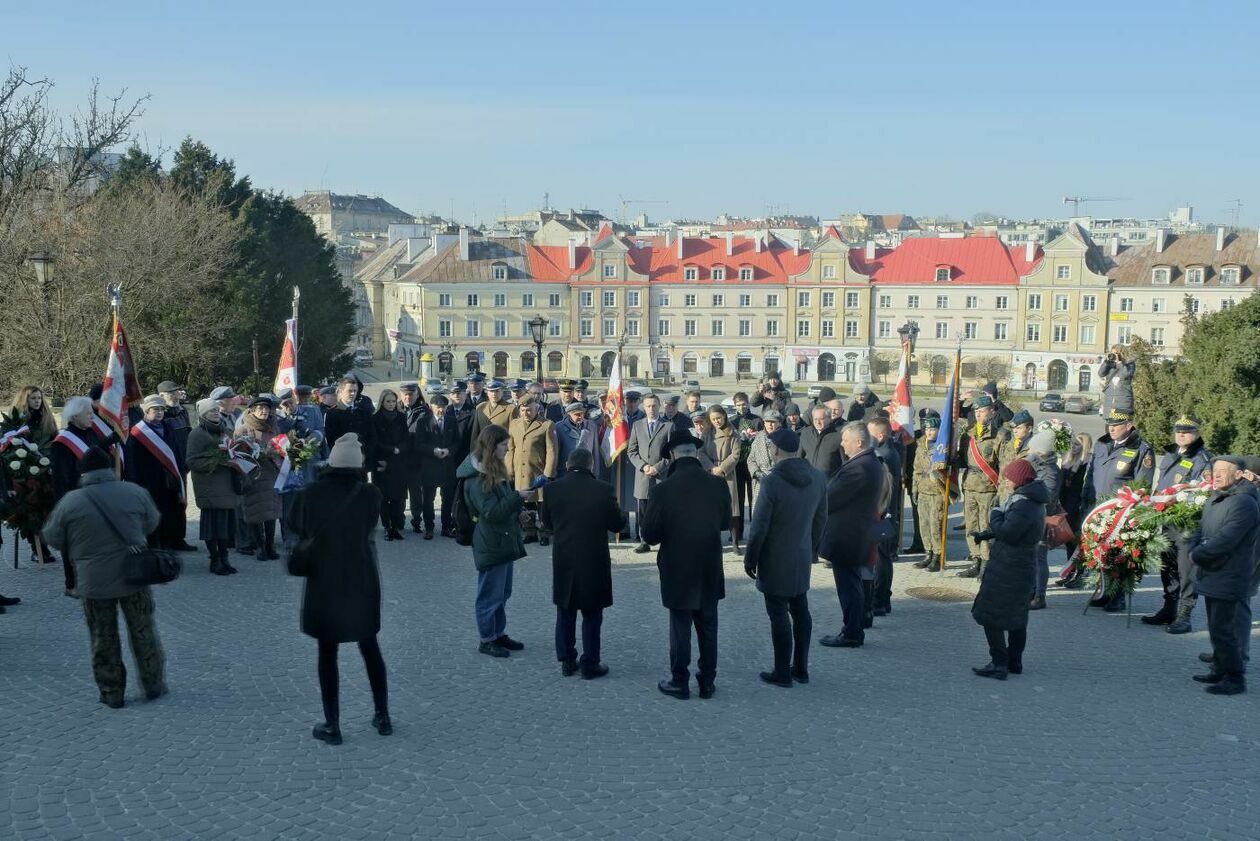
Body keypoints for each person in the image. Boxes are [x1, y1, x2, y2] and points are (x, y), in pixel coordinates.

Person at [287, 433, 391, 743]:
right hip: (361, 577)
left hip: (325, 580)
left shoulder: (309, 494)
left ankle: (332, 724)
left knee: (327, 652)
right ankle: (382, 714)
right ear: (358, 465)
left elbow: (295, 526)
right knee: (370, 647)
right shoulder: (370, 494)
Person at [42, 446, 165, 708]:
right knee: (144, 632)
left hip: (94, 581)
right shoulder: (134, 491)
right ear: (110, 468)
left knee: (103, 637)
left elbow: (52, 537)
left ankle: (112, 692)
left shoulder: (71, 501)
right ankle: (153, 684)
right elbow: (152, 522)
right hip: (135, 575)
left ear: (83, 473)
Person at [642, 435, 730, 700]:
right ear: (694, 454)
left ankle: (679, 681)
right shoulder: (717, 485)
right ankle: (707, 682)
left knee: (680, 625)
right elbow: (725, 523)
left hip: (677, 565)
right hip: (708, 563)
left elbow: (649, 535)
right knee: (708, 625)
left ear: (672, 457)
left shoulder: (662, 489)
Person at [743, 427, 826, 687]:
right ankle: (800, 668)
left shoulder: (772, 482)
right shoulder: (817, 477)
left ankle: (782, 672)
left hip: (775, 558)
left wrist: (750, 558)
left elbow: (759, 527)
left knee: (778, 613)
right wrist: (811, 549)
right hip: (800, 555)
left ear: (775, 450)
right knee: (800, 609)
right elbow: (821, 519)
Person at [540, 448, 625, 679]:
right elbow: (617, 525)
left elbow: (547, 523)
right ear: (591, 466)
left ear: (567, 465)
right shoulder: (603, 490)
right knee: (592, 612)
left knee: (565, 610)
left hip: (564, 556)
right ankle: (590, 663)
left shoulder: (551, 489)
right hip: (593, 557)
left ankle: (567, 660)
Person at [457, 425, 533, 658]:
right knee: (490, 594)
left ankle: (498, 633)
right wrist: (517, 498)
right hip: (490, 541)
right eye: (503, 446)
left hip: (503, 539)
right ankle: (487, 639)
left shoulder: (494, 470)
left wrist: (518, 510)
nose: (507, 450)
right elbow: (491, 512)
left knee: (503, 592)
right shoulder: (477, 478)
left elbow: (502, 504)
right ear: (491, 447)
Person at [969, 458, 1048, 680]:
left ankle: (999, 663)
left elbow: (1007, 532)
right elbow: (1015, 529)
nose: (1005, 482)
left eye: (1008, 478)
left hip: (1009, 568)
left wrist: (995, 513)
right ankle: (1014, 662)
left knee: (991, 616)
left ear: (1019, 481)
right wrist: (987, 534)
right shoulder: (1030, 500)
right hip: (1019, 566)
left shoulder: (1023, 504)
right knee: (1016, 617)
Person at [1188, 455, 1259, 696]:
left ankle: (1235, 679)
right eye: (1214, 470)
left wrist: (1198, 554)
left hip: (1230, 573)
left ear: (1239, 474)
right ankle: (1219, 669)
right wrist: (1193, 547)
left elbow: (1227, 539)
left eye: (1222, 471)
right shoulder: (1217, 496)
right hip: (1212, 571)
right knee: (1216, 627)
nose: (1215, 474)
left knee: (1224, 630)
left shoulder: (1244, 503)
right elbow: (1202, 528)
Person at [818, 422, 887, 648]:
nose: (842, 445)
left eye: (845, 441)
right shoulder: (867, 461)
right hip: (855, 535)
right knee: (853, 584)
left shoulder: (860, 466)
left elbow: (831, 498)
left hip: (849, 537)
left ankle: (851, 633)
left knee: (848, 586)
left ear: (859, 442)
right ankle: (853, 630)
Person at [1083, 409, 1155, 612]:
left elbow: (1143, 484)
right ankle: (1104, 591)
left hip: (1121, 511)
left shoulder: (1142, 449)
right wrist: (1086, 499)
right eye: (1109, 424)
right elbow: (1091, 474)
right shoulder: (1102, 444)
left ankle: (1119, 595)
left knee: (1121, 554)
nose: (1111, 428)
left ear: (1129, 426)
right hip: (1098, 509)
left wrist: (1134, 510)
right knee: (1100, 553)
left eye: (1116, 425)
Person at [1147, 415, 1214, 633]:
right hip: (1167, 520)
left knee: (1186, 571)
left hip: (1186, 524)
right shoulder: (1171, 454)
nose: (1181, 434)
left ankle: (1184, 615)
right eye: (1178, 431)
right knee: (1168, 567)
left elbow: (1202, 493)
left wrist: (1177, 501)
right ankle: (1169, 608)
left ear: (1197, 433)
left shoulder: (1203, 459)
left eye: (1186, 431)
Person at [50, 396, 114, 597]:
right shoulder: (62, 442)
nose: (92, 418)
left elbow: (98, 452)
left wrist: (114, 438)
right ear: (75, 416)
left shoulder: (89, 434)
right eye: (89, 414)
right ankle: (72, 584)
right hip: (74, 498)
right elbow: (60, 477)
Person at [955, 393, 1010, 579]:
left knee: (985, 526)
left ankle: (986, 562)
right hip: (970, 485)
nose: (978, 414)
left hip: (988, 487)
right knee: (971, 525)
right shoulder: (968, 434)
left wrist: (1001, 493)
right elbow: (962, 460)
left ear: (992, 412)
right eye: (976, 411)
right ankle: (975, 559)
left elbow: (1004, 466)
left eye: (983, 411)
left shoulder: (1000, 435)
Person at [187, 398, 243, 576]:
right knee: (213, 527)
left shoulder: (224, 431)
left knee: (226, 527)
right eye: (211, 411)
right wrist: (217, 461)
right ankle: (214, 559)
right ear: (203, 414)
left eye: (217, 410)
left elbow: (232, 450)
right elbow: (192, 461)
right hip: (209, 487)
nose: (216, 412)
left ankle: (225, 558)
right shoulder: (197, 434)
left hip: (226, 486)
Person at [125, 395, 188, 551]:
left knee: (172, 511)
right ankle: (155, 544)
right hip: (150, 480)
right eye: (155, 409)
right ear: (146, 411)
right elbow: (133, 461)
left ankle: (172, 541)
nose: (160, 412)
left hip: (170, 479)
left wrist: (181, 472)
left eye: (162, 409)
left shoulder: (168, 428)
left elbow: (176, 452)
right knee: (154, 513)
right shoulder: (137, 432)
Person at [506, 399, 557, 545]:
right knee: (526, 503)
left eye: (529, 410)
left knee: (542, 505)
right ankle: (530, 532)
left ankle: (544, 533)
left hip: (538, 472)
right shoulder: (514, 424)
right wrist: (510, 469)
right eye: (522, 410)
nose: (525, 413)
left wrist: (548, 474)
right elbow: (511, 449)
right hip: (521, 471)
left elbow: (552, 451)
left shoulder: (546, 425)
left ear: (537, 409)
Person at [238, 396, 283, 560]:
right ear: (252, 410)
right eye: (260, 408)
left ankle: (270, 546)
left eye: (267, 408)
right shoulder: (243, 429)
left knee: (271, 511)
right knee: (257, 512)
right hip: (253, 475)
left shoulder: (274, 428)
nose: (264, 411)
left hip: (272, 474)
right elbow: (238, 455)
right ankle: (261, 547)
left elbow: (281, 448)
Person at [628, 394, 673, 553]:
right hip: (643, 475)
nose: (651, 409)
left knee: (662, 510)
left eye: (654, 406)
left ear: (659, 406)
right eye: (648, 406)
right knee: (643, 511)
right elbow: (632, 451)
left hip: (661, 476)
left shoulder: (668, 426)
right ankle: (644, 540)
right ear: (643, 407)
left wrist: (658, 467)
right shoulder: (637, 425)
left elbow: (671, 453)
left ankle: (665, 540)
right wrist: (644, 466)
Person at [867, 416, 903, 617]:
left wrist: (878, 514)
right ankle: (884, 599)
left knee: (880, 560)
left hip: (883, 516)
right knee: (884, 559)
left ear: (880, 435)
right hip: (888, 515)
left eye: (870, 433)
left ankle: (879, 601)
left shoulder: (884, 455)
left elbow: (883, 491)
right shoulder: (889, 450)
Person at [416, 395, 463, 538]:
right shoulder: (423, 422)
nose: (440, 410)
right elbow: (418, 444)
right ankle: (429, 527)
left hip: (447, 467)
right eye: (438, 407)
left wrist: (449, 451)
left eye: (443, 407)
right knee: (428, 500)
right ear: (431, 407)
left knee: (447, 499)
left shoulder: (452, 421)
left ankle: (446, 527)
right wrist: (433, 451)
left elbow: (457, 442)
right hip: (429, 467)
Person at [1026, 430, 1063, 611]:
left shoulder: (1050, 471)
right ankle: (1031, 591)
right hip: (1032, 516)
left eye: (1033, 448)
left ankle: (1040, 596)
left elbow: (1046, 496)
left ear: (1041, 451)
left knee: (1040, 558)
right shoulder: (1036, 465)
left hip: (1042, 518)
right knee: (1032, 557)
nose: (1030, 451)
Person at [1054, 432, 1094, 589]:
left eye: (1078, 444)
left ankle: (1080, 574)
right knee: (1069, 541)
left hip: (1078, 506)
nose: (1074, 447)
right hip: (1065, 505)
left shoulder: (1088, 461)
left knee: (1078, 541)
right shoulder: (1068, 459)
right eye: (1073, 444)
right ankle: (1069, 572)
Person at [370, 389, 410, 542]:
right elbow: (374, 441)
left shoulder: (401, 417)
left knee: (398, 498)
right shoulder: (375, 418)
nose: (391, 404)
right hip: (382, 463)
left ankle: (397, 527)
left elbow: (407, 438)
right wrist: (390, 449)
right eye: (388, 401)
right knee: (383, 497)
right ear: (382, 402)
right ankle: (387, 527)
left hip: (399, 462)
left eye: (393, 401)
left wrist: (400, 448)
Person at [705, 405, 743, 553]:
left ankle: (735, 542)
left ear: (724, 416)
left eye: (719, 418)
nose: (717, 421)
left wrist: (722, 468)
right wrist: (711, 467)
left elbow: (736, 454)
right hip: (710, 473)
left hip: (727, 474)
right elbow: (700, 452)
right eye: (713, 419)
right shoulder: (707, 432)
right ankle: (715, 542)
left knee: (732, 510)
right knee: (713, 510)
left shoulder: (732, 432)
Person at [911, 415, 947, 572]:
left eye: (932, 429)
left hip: (937, 491)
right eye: (927, 429)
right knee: (924, 524)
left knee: (935, 524)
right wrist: (914, 488)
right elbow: (916, 469)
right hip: (923, 489)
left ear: (939, 430)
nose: (929, 432)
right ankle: (928, 552)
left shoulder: (942, 447)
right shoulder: (921, 445)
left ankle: (938, 556)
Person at [398, 383, 430, 535]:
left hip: (416, 460)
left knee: (416, 493)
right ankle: (399, 520)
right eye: (405, 394)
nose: (408, 397)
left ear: (417, 395)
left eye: (411, 394)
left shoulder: (424, 411)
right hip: (398, 459)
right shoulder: (396, 409)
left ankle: (416, 521)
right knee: (399, 492)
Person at [323, 377, 376, 454]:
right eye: (349, 391)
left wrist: (364, 453)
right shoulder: (332, 413)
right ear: (341, 391)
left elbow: (372, 436)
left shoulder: (364, 411)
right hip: (342, 457)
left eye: (355, 391)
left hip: (363, 457)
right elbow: (331, 439)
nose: (353, 394)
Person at [747, 410, 782, 507]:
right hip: (761, 481)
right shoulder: (759, 437)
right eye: (767, 422)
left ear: (779, 423)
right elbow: (751, 459)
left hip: (779, 481)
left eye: (773, 422)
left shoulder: (785, 437)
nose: (770, 424)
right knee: (760, 512)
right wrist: (756, 472)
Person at [8, 384, 59, 450]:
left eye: (39, 398)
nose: (37, 401)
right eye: (33, 398)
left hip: (46, 456)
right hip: (22, 456)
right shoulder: (15, 418)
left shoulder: (47, 417)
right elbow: (6, 439)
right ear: (25, 399)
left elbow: (55, 437)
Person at [800, 406, 843, 477]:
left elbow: (844, 463)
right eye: (815, 419)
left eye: (821, 419)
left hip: (828, 483)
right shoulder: (806, 433)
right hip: (807, 480)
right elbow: (799, 457)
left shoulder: (838, 436)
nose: (818, 422)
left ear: (829, 418)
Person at [1097, 345, 1136, 418]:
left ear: (1122, 354)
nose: (1113, 355)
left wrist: (1120, 363)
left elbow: (1125, 374)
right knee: (1109, 428)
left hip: (1122, 404)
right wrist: (1106, 362)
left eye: (1115, 353)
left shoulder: (1129, 364)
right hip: (1109, 404)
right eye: (1112, 353)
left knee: (1120, 428)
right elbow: (1100, 373)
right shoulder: (1110, 364)